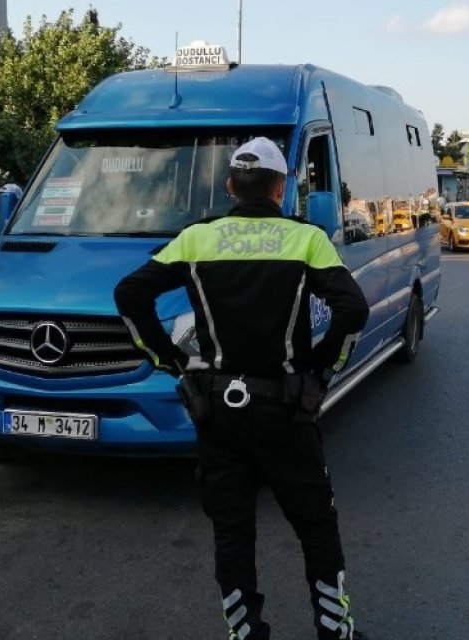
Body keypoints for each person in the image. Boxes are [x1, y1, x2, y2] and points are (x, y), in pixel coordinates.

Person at [114, 137, 370, 640]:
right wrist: (320, 368)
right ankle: (334, 631)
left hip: (218, 409)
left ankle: (246, 632)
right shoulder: (306, 239)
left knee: (232, 530)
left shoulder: (196, 238)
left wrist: (171, 361)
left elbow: (129, 294)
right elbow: (353, 310)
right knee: (316, 524)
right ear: (280, 189)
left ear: (231, 186)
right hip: (287, 408)